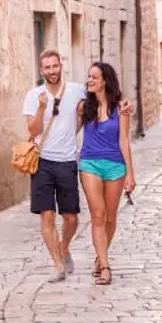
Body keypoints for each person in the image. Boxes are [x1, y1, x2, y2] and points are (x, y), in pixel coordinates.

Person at [23, 50, 132, 283]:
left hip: (67, 161)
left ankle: (65, 247)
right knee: (48, 215)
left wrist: (125, 104)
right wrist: (41, 108)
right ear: (41, 70)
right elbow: (32, 130)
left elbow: (105, 95)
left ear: (60, 66)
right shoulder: (34, 95)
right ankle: (59, 266)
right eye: (47, 67)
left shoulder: (77, 92)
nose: (52, 71)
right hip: (43, 161)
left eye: (55, 66)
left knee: (72, 218)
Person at [77, 62, 136, 286]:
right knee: (98, 215)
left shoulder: (121, 108)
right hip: (89, 164)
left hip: (115, 166)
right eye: (89, 77)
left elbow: (124, 141)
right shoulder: (84, 107)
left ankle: (99, 257)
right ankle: (105, 266)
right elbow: (69, 129)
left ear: (105, 81)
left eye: (94, 77)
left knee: (111, 218)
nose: (90, 80)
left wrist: (130, 173)